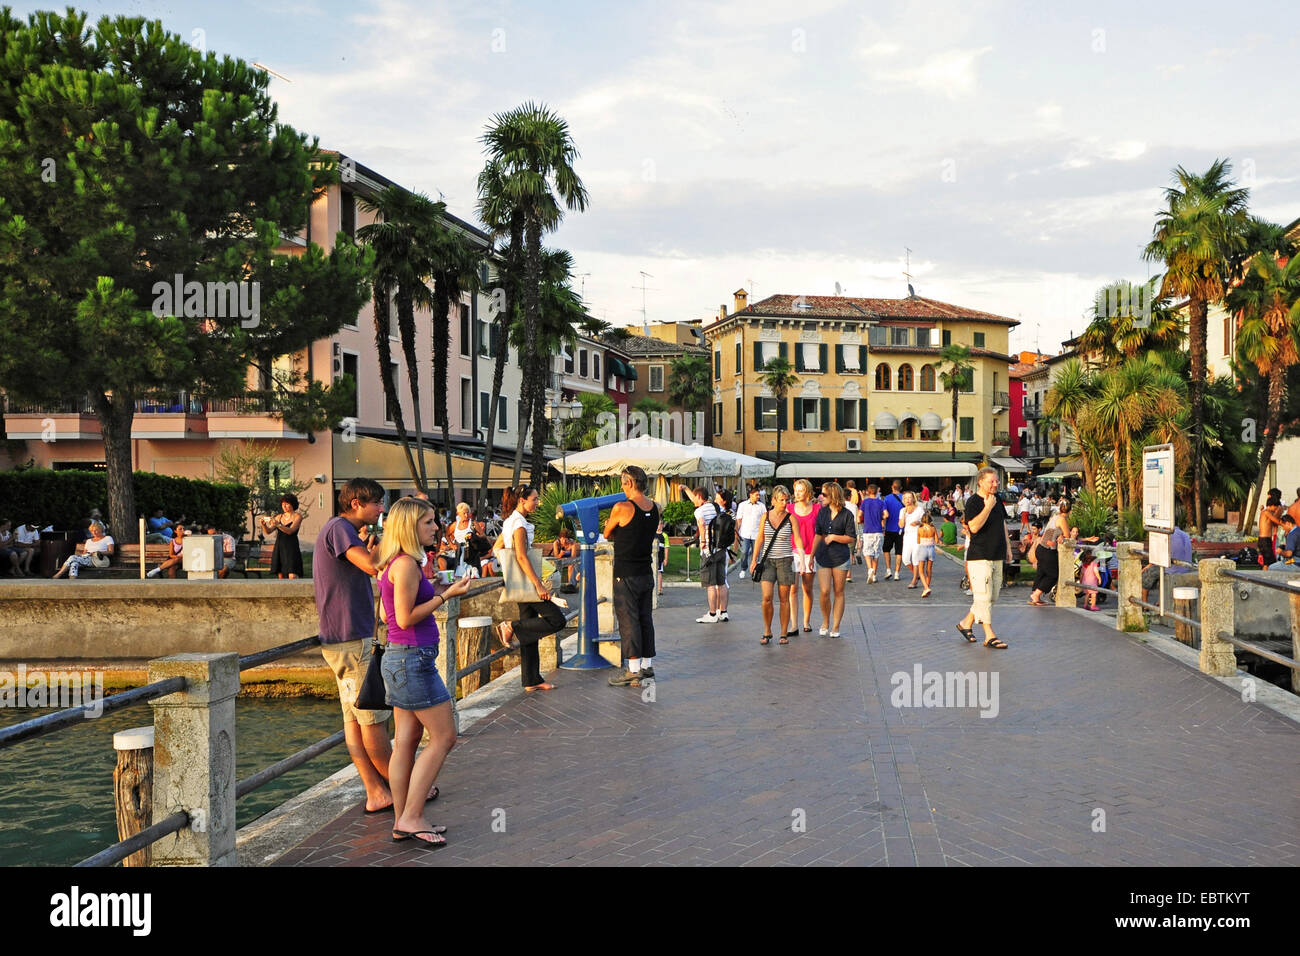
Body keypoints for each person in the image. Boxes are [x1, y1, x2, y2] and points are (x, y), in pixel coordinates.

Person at [376, 496, 471, 848]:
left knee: (406, 742)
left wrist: (434, 593)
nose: (435, 527)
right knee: (445, 737)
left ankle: (402, 819)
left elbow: (387, 616)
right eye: (428, 522)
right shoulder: (406, 566)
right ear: (410, 527)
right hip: (412, 660)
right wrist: (445, 597)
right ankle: (413, 816)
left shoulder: (396, 564)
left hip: (402, 658)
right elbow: (403, 618)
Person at [314, 477, 396, 815]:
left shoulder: (340, 530)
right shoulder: (340, 529)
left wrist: (375, 542)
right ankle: (405, 784)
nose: (380, 509)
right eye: (376, 503)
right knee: (373, 720)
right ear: (355, 504)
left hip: (342, 638)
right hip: (351, 640)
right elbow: (372, 566)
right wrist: (393, 536)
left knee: (355, 721)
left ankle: (376, 792)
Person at [494, 485, 567, 691]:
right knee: (557, 620)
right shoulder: (518, 523)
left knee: (530, 628)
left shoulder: (511, 521)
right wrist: (538, 584)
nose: (537, 502)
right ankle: (510, 626)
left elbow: (498, 548)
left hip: (518, 580)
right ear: (522, 500)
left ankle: (531, 679)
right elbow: (520, 555)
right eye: (534, 499)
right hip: (527, 581)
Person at [605, 466, 661, 687]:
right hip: (645, 572)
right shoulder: (655, 507)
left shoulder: (621, 507)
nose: (621, 486)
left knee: (628, 620)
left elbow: (608, 532)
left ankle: (633, 669)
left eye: (622, 481)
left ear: (629, 482)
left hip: (625, 574)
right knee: (645, 618)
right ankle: (647, 666)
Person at [955, 466, 1012, 650]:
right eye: (991, 481)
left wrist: (1008, 548)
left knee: (991, 596)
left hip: (996, 554)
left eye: (996, 481)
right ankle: (989, 635)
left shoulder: (998, 500)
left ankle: (966, 623)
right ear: (981, 482)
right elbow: (974, 527)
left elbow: (1002, 523)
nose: (995, 484)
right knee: (984, 596)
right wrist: (987, 507)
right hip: (979, 556)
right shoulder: (973, 502)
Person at [751, 484, 802, 644]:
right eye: (781, 500)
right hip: (767, 561)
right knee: (766, 597)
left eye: (786, 500)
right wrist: (754, 559)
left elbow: (798, 538)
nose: (785, 503)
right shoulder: (765, 517)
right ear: (773, 500)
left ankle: (783, 633)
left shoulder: (791, 518)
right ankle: (767, 630)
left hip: (785, 560)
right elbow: (760, 538)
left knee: (784, 598)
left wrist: (802, 556)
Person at [813, 482, 855, 637]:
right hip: (823, 555)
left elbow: (851, 538)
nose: (821, 497)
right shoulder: (822, 512)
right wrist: (811, 555)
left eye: (824, 494)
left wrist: (834, 537)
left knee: (839, 591)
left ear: (833, 495)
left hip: (840, 557)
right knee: (824, 591)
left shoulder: (847, 514)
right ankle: (825, 621)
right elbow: (818, 534)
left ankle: (836, 626)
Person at [688, 486, 729, 624]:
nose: (693, 501)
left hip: (709, 551)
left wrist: (703, 541)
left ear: (699, 497)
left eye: (694, 498)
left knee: (710, 584)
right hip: (721, 549)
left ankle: (712, 614)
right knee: (721, 582)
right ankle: (723, 612)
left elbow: (701, 524)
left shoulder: (699, 510)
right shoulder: (715, 506)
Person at [789, 479, 820, 631]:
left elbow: (820, 532)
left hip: (810, 553)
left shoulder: (817, 509)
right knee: (792, 589)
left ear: (807, 491)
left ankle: (806, 621)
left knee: (807, 589)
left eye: (801, 490)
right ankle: (794, 624)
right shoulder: (789, 508)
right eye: (796, 490)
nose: (797, 493)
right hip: (793, 552)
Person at [261, 493, 304, 579]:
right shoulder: (279, 517)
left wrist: (278, 525)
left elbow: (291, 531)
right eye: (283, 504)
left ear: (292, 504)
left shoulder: (297, 516)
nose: (284, 506)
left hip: (291, 547)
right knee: (281, 575)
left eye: (287, 504)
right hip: (280, 546)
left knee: (293, 575)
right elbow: (268, 531)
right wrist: (264, 525)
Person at [735, 486, 765, 580]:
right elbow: (739, 519)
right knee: (744, 551)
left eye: (759, 495)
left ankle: (755, 569)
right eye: (756, 495)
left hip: (757, 533)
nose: (758, 497)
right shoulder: (742, 505)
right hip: (745, 533)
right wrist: (736, 531)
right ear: (751, 495)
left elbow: (764, 520)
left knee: (757, 553)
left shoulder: (761, 506)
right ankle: (743, 569)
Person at [859, 483, 885, 583]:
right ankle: (874, 575)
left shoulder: (865, 502)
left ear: (868, 492)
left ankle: (870, 569)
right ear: (877, 491)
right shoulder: (881, 502)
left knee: (867, 552)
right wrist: (880, 518)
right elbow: (886, 514)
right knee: (876, 554)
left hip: (867, 530)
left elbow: (859, 515)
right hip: (878, 530)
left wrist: (860, 520)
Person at [881, 480, 905, 581]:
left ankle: (888, 570)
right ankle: (897, 573)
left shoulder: (886, 498)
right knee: (899, 552)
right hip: (901, 529)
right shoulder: (905, 499)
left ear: (892, 487)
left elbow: (885, 515)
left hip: (890, 528)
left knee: (886, 549)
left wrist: (882, 526)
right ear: (901, 488)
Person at [900, 491, 924, 589]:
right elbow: (901, 525)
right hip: (907, 536)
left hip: (917, 535)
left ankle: (914, 580)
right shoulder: (902, 510)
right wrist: (904, 514)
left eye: (909, 498)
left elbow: (926, 522)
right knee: (905, 559)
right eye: (905, 498)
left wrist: (918, 522)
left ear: (913, 499)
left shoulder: (919, 509)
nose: (907, 500)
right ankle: (917, 573)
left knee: (915, 558)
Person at [1259, 489, 1285, 567]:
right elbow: (1277, 521)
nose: (1276, 509)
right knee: (1270, 563)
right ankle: (1266, 578)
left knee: (1267, 563)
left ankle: (1264, 577)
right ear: (1272, 505)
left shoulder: (1266, 512)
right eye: (1276, 507)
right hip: (1264, 540)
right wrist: (1287, 524)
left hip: (1265, 540)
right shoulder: (1266, 512)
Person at [550, 523, 579, 590]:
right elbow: (556, 557)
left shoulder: (572, 543)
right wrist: (561, 554)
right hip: (558, 560)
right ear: (560, 538)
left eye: (566, 539)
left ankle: (571, 585)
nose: (564, 541)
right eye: (562, 539)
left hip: (569, 560)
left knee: (572, 565)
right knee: (557, 564)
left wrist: (567, 558)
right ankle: (557, 585)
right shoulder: (556, 543)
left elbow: (573, 557)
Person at [916, 512, 937, 598]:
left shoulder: (919, 529)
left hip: (922, 548)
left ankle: (926, 587)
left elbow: (918, 541)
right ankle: (927, 587)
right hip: (931, 548)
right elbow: (936, 539)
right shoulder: (933, 528)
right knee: (929, 570)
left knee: (921, 570)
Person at [655, 520, 669, 596]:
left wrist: (666, 559)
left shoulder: (664, 535)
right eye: (657, 524)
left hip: (660, 557)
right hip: (652, 557)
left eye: (660, 524)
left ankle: (659, 589)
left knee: (659, 572)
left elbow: (666, 548)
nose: (659, 526)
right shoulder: (652, 534)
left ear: (662, 525)